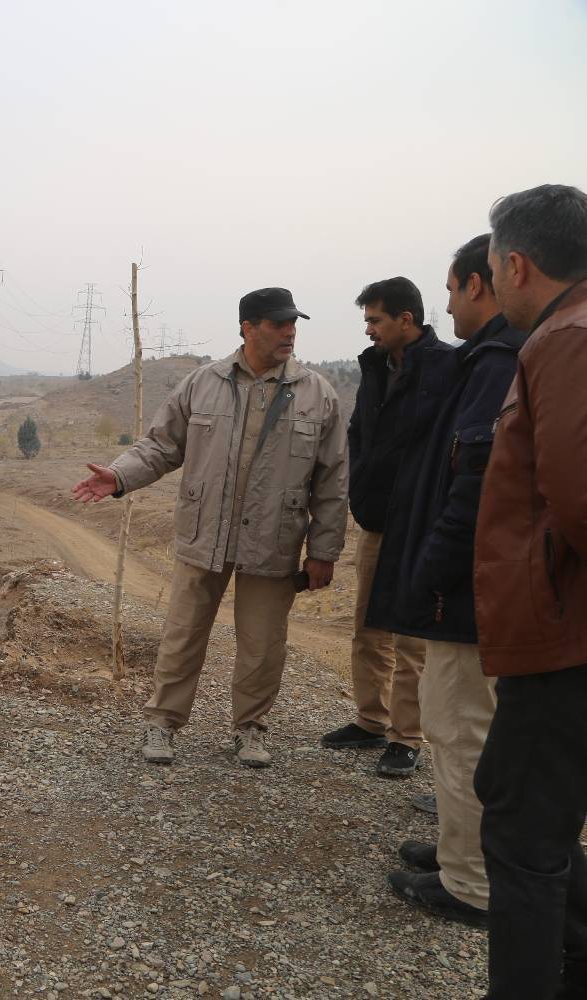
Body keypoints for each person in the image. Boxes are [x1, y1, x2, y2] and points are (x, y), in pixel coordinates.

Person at [72, 288, 346, 768]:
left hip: (274, 538)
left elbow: (332, 478)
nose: (290, 332)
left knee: (263, 643)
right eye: (279, 323)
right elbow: (159, 447)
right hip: (205, 532)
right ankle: (162, 723)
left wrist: (323, 550)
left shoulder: (316, 393)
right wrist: (118, 477)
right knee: (183, 632)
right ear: (248, 327)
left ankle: (251, 729)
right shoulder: (204, 383)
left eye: (293, 323)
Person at [363, 235, 525, 925]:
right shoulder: (488, 359)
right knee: (472, 728)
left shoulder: (497, 361)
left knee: (460, 728)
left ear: (479, 284)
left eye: (454, 289)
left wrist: (430, 568)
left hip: (466, 590)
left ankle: (471, 884)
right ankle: (465, 850)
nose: (448, 304)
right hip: (477, 584)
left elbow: (474, 482)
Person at [472, 183, 587, 998]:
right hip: (566, 632)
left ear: (516, 264)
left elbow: (578, 499)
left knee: (524, 840)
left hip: (563, 640)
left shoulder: (567, 341)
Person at [319, 277, 452, 778]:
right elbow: (361, 433)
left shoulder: (447, 368)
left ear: (406, 319)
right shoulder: (376, 367)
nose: (369, 330)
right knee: (368, 628)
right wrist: (361, 485)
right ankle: (371, 721)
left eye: (375, 320)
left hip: (422, 524)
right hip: (377, 520)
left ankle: (407, 736)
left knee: (410, 637)